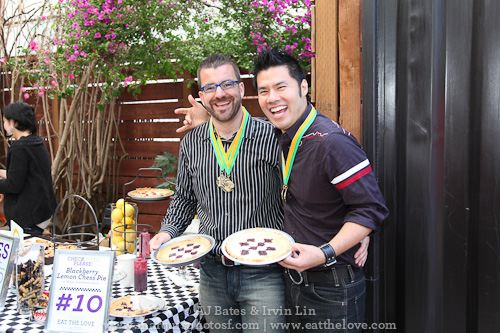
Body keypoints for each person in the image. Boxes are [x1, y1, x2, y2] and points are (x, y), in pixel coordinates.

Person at [252, 48, 388, 332]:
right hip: (295, 282)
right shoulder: (282, 133)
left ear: (303, 87)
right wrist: (205, 118)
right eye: (263, 91)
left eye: (280, 87)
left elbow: (370, 208)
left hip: (332, 287)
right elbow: (242, 126)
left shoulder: (331, 142)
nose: (272, 98)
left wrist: (326, 251)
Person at [149, 54, 287, 332]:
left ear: (241, 88)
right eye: (210, 87)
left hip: (264, 273)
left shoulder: (273, 136)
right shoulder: (192, 143)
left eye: (227, 84)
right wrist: (166, 233)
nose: (220, 93)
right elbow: (184, 200)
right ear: (201, 96)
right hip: (211, 274)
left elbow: (302, 196)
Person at [0, 102, 57, 235]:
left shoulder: (19, 147)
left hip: (28, 215)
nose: (3, 125)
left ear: (13, 122)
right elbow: (24, 175)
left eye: (4, 121)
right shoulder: (36, 143)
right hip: (42, 210)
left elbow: (14, 185)